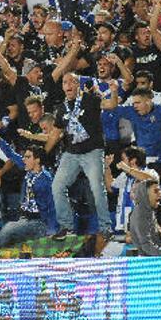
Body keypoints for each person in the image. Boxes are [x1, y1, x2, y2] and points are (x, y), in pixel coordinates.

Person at [51, 73, 118, 245]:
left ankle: (106, 227)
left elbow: (111, 104)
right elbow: (55, 134)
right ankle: (67, 227)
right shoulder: (61, 108)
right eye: (64, 82)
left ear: (78, 85)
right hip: (71, 153)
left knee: (97, 187)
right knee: (57, 185)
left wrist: (114, 91)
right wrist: (41, 147)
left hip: (92, 151)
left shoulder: (90, 100)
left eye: (72, 81)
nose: (68, 85)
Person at [129, 180, 161, 256]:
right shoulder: (141, 214)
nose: (160, 193)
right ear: (145, 194)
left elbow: (155, 242)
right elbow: (146, 246)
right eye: (156, 191)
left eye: (160, 190)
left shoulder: (148, 211)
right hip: (146, 264)